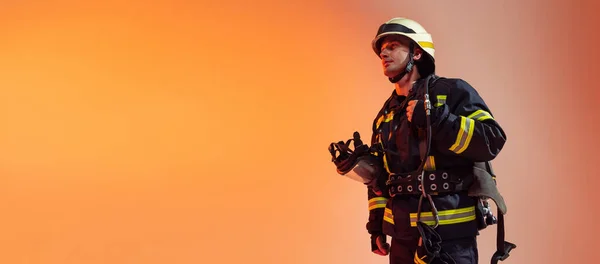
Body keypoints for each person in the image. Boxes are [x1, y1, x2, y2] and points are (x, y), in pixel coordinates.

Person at [354, 17, 515, 264]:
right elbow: (380, 180)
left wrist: (438, 120)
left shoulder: (453, 92)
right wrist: (376, 224)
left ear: (417, 53)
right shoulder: (385, 115)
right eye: (381, 49)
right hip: (402, 238)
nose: (383, 53)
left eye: (393, 45)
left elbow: (491, 140)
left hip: (449, 237)